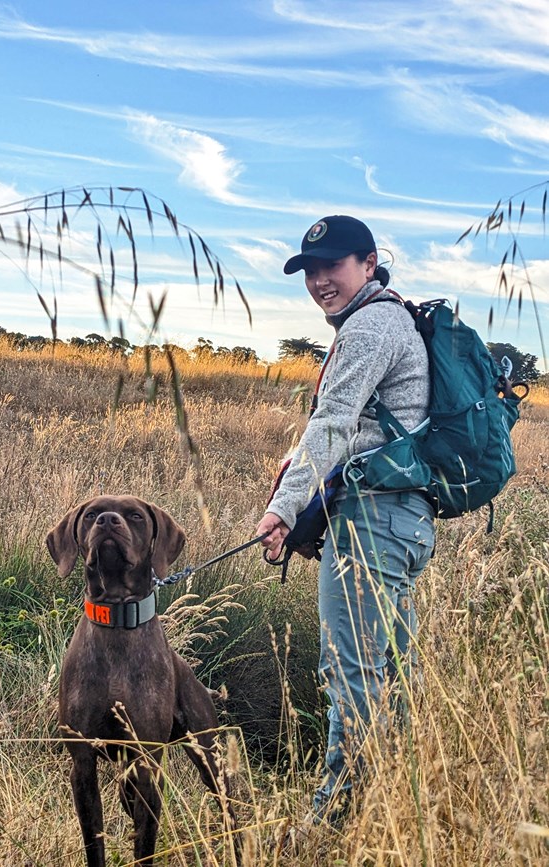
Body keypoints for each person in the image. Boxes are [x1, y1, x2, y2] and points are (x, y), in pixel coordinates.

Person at [256, 215, 436, 825]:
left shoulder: (371, 324)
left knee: (351, 671)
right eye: (310, 270)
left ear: (368, 262)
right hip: (398, 521)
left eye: (332, 266)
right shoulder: (387, 320)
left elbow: (332, 422)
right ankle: (399, 806)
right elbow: (354, 428)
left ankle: (332, 823)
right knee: (390, 670)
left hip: (373, 521)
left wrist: (281, 509)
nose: (319, 281)